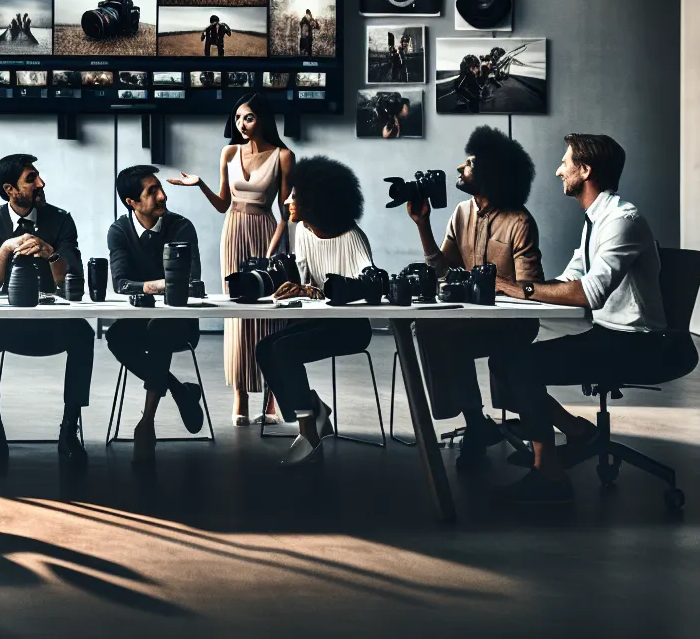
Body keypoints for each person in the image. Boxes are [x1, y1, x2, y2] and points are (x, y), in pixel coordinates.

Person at [488, 134, 668, 503]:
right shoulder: (595, 220)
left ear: (585, 170)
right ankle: (577, 433)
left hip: (638, 344)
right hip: (606, 333)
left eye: (565, 162)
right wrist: (509, 289)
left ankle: (549, 475)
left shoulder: (622, 220)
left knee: (522, 366)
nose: (558, 170)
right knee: (504, 357)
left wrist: (518, 290)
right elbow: (568, 281)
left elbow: (589, 293)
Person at [404, 127, 545, 471]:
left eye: (468, 164)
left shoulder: (520, 222)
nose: (459, 169)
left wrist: (498, 287)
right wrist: (423, 225)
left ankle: (490, 426)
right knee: (431, 330)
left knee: (452, 339)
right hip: (469, 320)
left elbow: (531, 290)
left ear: (490, 173)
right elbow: (443, 270)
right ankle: (475, 421)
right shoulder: (461, 213)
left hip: (512, 325)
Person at [167, 94, 294, 425]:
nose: (241, 124)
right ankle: (239, 395)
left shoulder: (283, 156)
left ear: (263, 119)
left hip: (268, 233)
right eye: (238, 118)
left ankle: (270, 401)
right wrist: (199, 185)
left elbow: (286, 213)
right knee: (237, 315)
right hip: (234, 231)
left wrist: (272, 253)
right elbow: (224, 204)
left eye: (248, 118)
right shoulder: (229, 152)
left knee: (268, 315)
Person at [0, 154, 91, 469]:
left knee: (84, 335)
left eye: (38, 177)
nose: (41, 184)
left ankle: (69, 431)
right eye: (31, 179)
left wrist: (51, 253)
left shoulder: (60, 219)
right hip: (9, 323)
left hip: (54, 322)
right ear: (10, 189)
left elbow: (73, 278)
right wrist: (6, 248)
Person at [254, 156, 375, 467]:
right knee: (265, 349)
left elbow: (370, 284)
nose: (287, 200)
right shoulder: (305, 231)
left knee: (285, 350)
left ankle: (309, 431)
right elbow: (307, 281)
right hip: (320, 320)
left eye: (295, 195)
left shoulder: (352, 237)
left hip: (351, 327)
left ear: (316, 200)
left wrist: (323, 291)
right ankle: (312, 410)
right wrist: (296, 287)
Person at [105, 165, 206, 462]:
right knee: (115, 338)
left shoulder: (182, 226)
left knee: (160, 330)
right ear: (131, 203)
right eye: (152, 192)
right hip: (138, 323)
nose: (163, 196)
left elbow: (193, 283)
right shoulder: (119, 230)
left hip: (179, 324)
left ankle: (146, 423)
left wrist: (150, 287)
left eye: (160, 188)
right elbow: (121, 284)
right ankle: (180, 391)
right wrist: (164, 284)